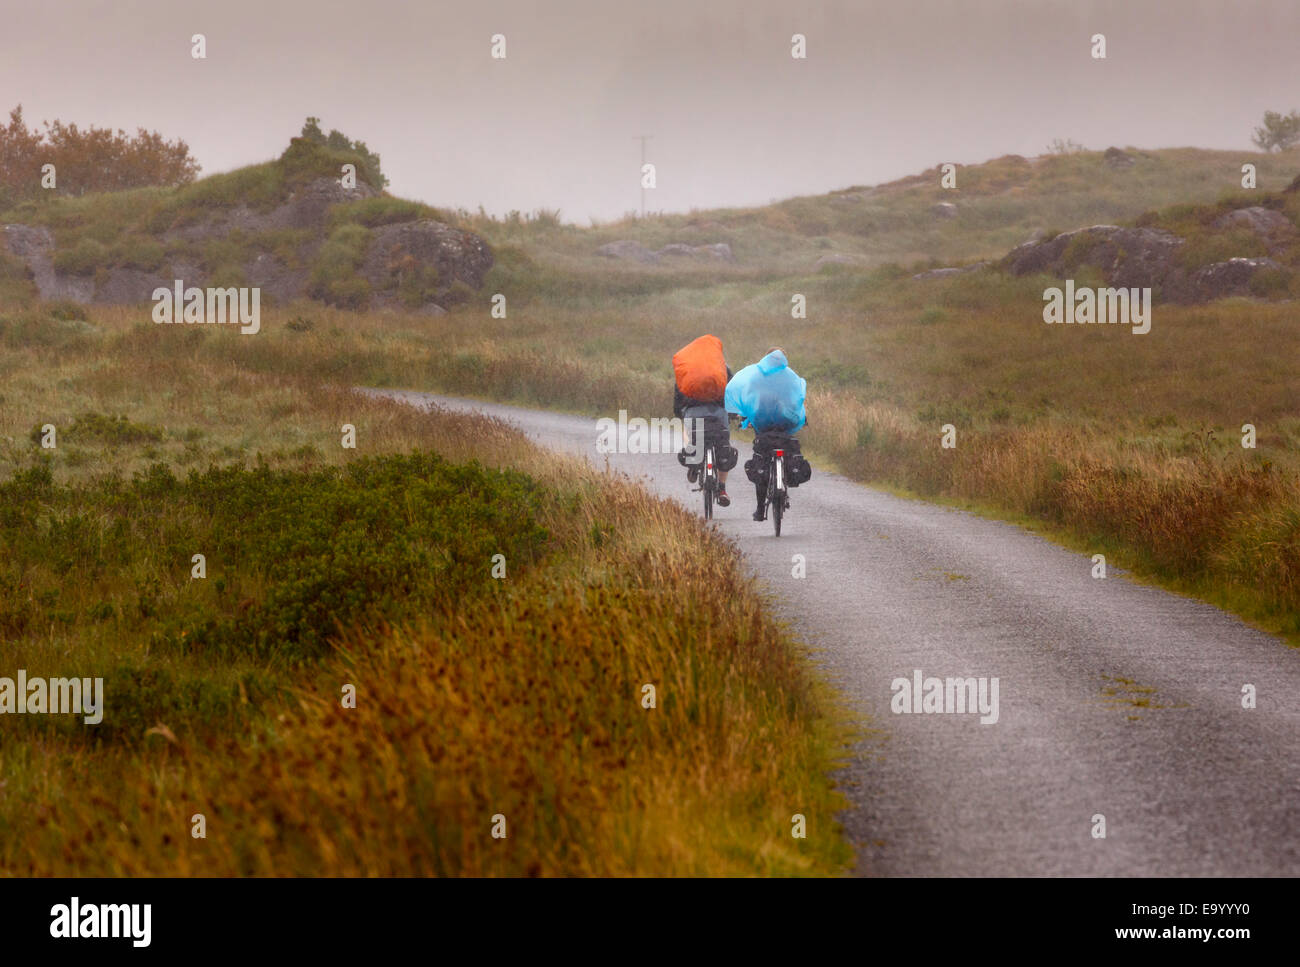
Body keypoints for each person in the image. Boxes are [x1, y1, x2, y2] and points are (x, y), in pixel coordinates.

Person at [724, 347, 808, 521]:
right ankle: (785, 475)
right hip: (786, 421)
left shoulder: (756, 375)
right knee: (785, 446)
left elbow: (749, 397)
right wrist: (802, 418)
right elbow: (798, 400)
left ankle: (761, 509)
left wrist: (746, 418)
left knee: (762, 459)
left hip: (763, 422)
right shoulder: (790, 376)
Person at [672, 334, 733, 506]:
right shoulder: (723, 368)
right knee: (723, 448)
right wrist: (735, 413)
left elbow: (679, 394)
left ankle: (694, 462)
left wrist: (679, 412)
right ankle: (722, 488)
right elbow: (733, 391)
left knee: (692, 436)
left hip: (693, 414)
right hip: (719, 414)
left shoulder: (687, 370)